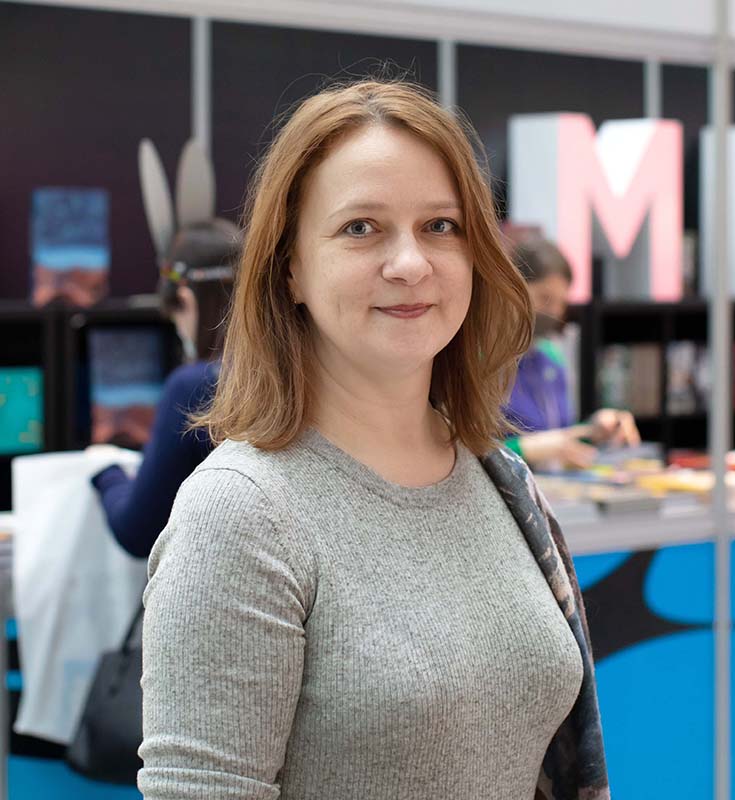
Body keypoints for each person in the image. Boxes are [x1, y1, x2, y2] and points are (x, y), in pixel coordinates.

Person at [139, 79, 609, 800]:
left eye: (440, 226)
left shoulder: (500, 480)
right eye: (361, 228)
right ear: (290, 269)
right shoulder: (242, 515)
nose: (411, 263)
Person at [90, 219, 239, 558]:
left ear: (185, 300)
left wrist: (105, 472)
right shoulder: (299, 374)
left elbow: (136, 532)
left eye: (176, 318)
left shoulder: (194, 387)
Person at [503, 235, 640, 469]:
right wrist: (525, 448)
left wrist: (594, 430)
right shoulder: (478, 361)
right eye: (545, 298)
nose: (555, 312)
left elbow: (559, 438)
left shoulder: (551, 358)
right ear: (510, 287)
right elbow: (464, 454)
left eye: (561, 302)